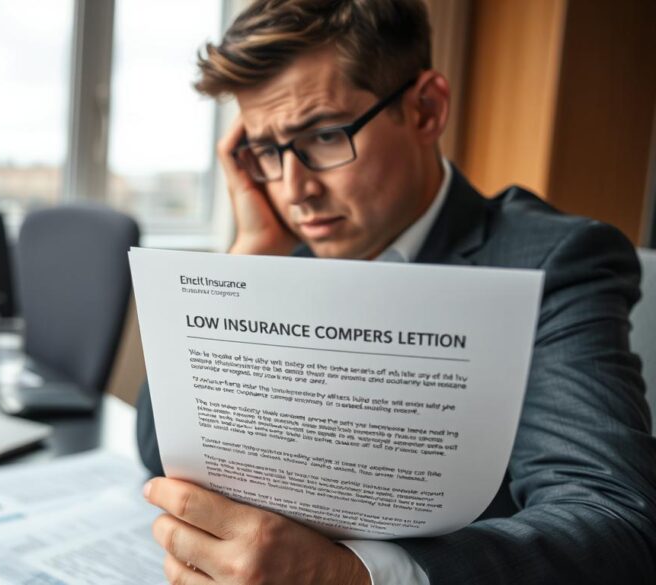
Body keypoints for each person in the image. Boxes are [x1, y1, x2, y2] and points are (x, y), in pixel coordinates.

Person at [134, 1, 656, 584]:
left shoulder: (555, 262)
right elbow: (163, 450)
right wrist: (253, 247)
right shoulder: (288, 251)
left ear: (426, 109)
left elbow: (615, 525)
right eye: (267, 152)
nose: (295, 190)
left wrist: (350, 576)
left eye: (324, 135)